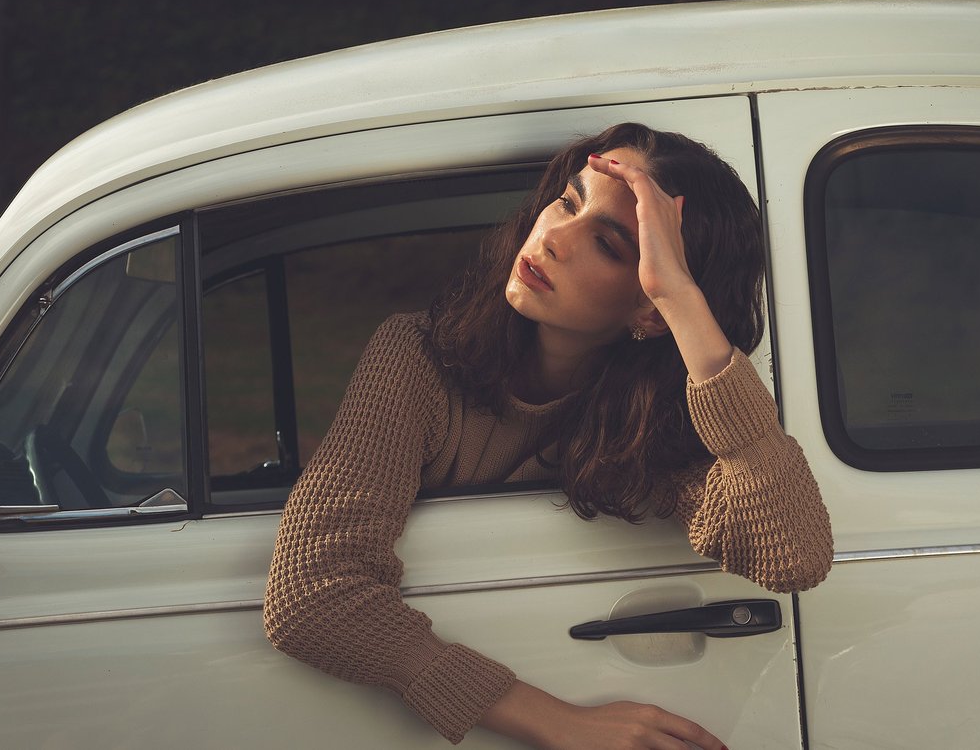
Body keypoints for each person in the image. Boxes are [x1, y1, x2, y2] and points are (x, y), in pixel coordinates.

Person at [264, 123, 833, 749]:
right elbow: (311, 594)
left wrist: (679, 299)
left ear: (649, 308)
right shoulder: (417, 358)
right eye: (567, 202)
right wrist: (558, 722)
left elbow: (793, 552)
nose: (554, 237)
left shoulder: (654, 426)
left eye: (610, 246)